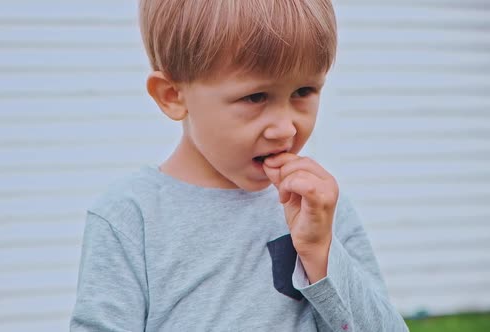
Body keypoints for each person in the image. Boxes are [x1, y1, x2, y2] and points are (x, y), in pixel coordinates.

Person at [70, 0, 409, 330]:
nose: (286, 128)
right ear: (172, 95)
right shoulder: (131, 218)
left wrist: (321, 252)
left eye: (304, 91)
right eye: (256, 97)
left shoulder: (319, 211)